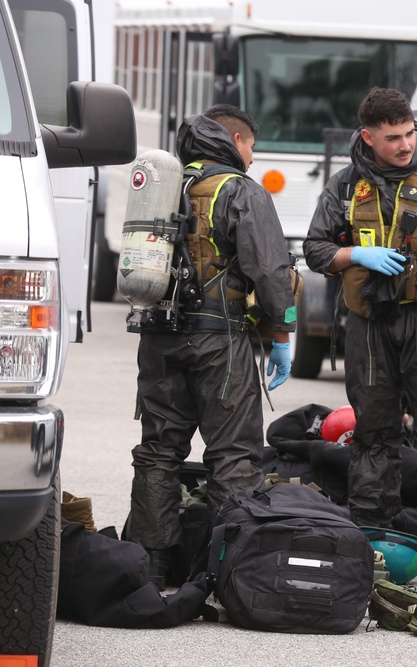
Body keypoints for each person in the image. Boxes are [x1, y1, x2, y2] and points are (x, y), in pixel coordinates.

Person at [303, 87, 417, 581]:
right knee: (373, 428)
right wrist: (355, 255)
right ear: (368, 136)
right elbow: (315, 250)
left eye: (409, 134)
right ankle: (369, 529)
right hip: (368, 324)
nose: (405, 145)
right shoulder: (344, 188)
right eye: (393, 138)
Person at [128, 104, 296, 590]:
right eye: (252, 147)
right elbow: (269, 271)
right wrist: (281, 335)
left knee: (159, 450)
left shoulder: (166, 185)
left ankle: (152, 566)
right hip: (218, 341)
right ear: (236, 140)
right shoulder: (239, 190)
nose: (252, 157)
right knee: (234, 456)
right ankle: (227, 572)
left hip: (158, 337)